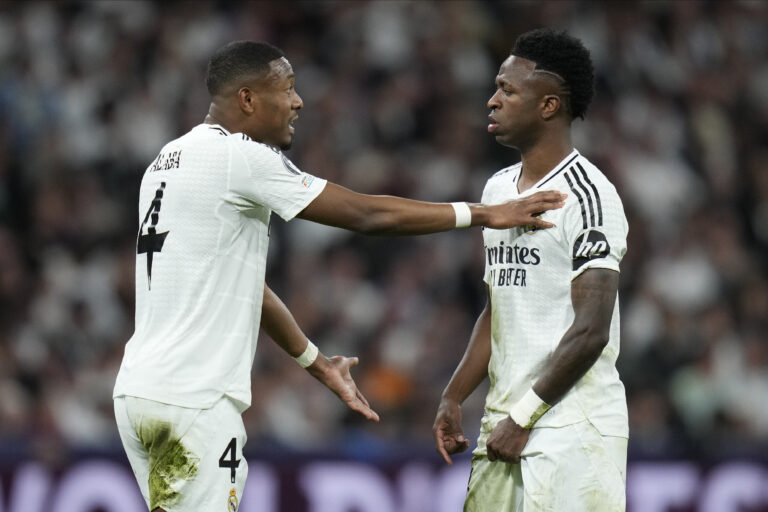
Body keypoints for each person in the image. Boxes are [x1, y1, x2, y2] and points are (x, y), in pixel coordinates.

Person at [112, 41, 566, 512]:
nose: (297, 101)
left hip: (139, 393)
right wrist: (483, 213)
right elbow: (366, 213)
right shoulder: (238, 158)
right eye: (286, 88)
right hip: (195, 402)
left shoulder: (166, 160)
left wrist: (316, 362)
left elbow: (244, 286)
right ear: (247, 99)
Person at [432, 28, 629, 511]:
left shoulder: (589, 197)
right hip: (505, 424)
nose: (492, 101)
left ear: (549, 106)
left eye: (508, 90)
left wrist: (524, 417)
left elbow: (591, 331)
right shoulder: (499, 190)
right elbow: (499, 308)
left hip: (572, 431)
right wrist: (454, 396)